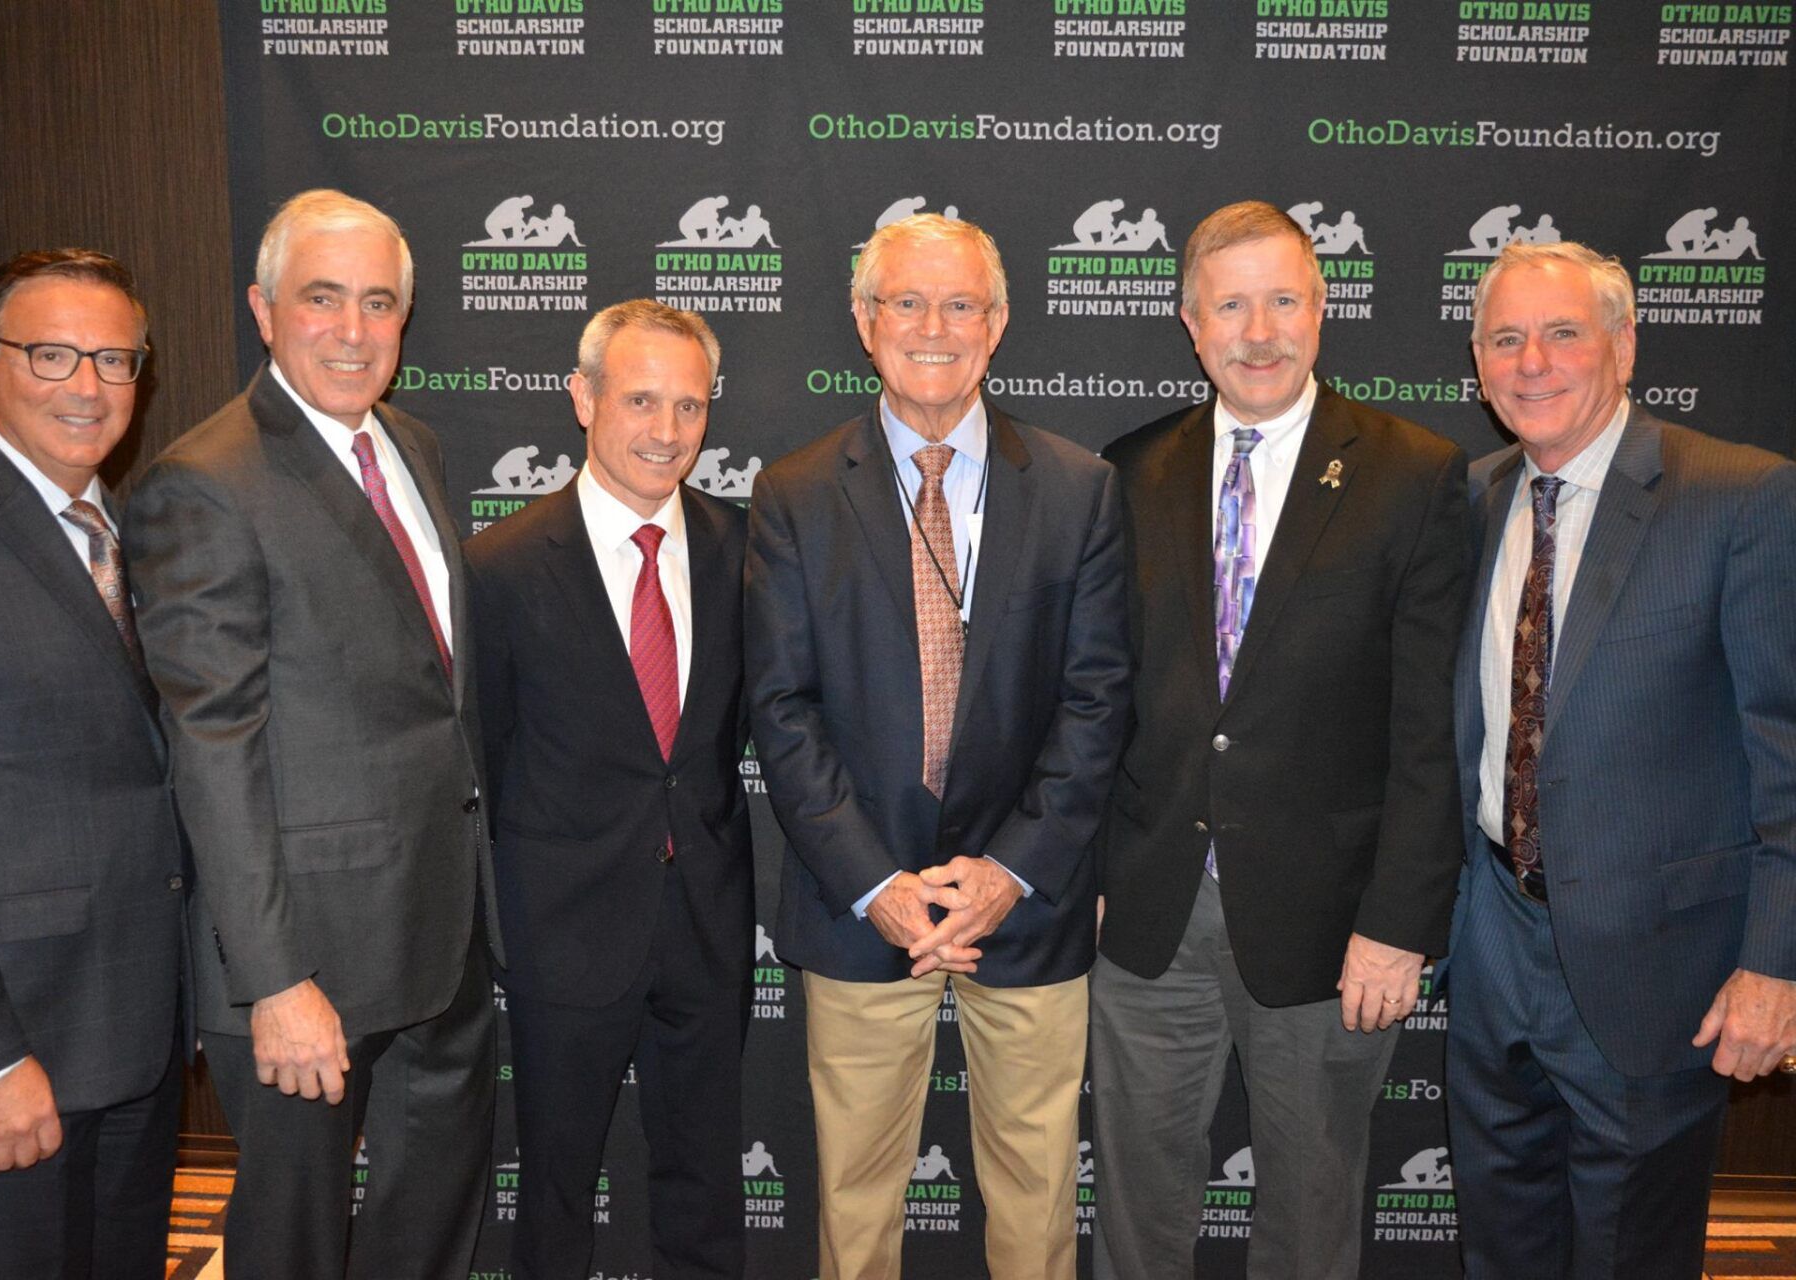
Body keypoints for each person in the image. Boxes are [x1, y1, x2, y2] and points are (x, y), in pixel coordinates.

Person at [745, 213, 1131, 1280]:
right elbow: (782, 710)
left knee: (1038, 1200)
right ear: (865, 324)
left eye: (961, 304)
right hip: (861, 904)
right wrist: (878, 883)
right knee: (855, 1209)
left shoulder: (1077, 487)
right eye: (906, 302)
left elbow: (1097, 701)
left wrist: (1011, 869)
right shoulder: (793, 493)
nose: (934, 326)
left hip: (1029, 903)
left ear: (998, 323)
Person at [1089, 201, 1469, 1280]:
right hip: (1150, 916)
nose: (1260, 330)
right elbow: (1101, 698)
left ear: (1323, 308)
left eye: (1284, 299)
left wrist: (1399, 922)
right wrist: (1095, 870)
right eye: (1232, 305)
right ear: (1190, 322)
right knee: (1135, 1214)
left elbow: (1429, 730)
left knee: (1307, 1220)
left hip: (1331, 931)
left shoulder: (1412, 473)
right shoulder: (1129, 469)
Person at [126, 189, 503, 1278]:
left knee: (428, 1227)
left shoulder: (414, 445)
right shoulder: (206, 482)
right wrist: (275, 979)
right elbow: (214, 746)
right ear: (263, 308)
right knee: (293, 1247)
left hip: (439, 933)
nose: (352, 328)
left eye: (378, 302)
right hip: (307, 968)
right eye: (322, 298)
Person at [1446, 239, 1796, 1278]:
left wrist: (1777, 961)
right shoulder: (1468, 499)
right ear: (1478, 361)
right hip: (1493, 942)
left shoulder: (1741, 499)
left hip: (1660, 965)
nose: (1533, 362)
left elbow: (1786, 747)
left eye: (1562, 333)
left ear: (1624, 343)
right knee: (1501, 1246)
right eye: (1505, 339)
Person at [0, 249, 186, 1278]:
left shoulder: (129, 534)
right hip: (10, 1056)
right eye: (52, 355)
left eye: (113, 358)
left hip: (132, 1034)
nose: (88, 386)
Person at [467, 300, 752, 1279]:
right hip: (563, 931)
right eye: (640, 399)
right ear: (582, 397)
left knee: (705, 1186)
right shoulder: (499, 565)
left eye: (689, 404)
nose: (666, 432)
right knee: (552, 1190)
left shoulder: (745, 550)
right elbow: (487, 757)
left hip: (708, 925)